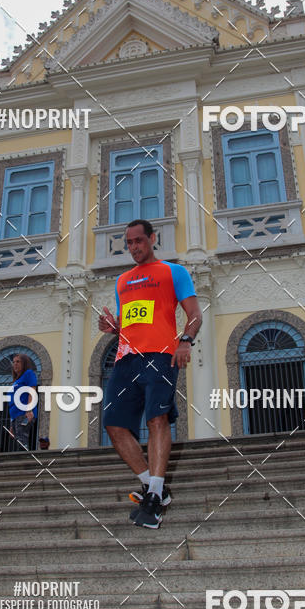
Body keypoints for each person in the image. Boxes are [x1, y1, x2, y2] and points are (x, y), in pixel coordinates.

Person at [99, 219, 202, 528]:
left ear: (152, 239)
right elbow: (128, 320)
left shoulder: (174, 272)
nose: (133, 247)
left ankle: (154, 497)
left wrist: (185, 340)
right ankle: (152, 485)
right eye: (129, 243)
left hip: (161, 355)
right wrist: (112, 327)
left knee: (157, 419)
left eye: (138, 241)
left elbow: (195, 314)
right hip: (125, 358)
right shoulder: (122, 281)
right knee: (114, 424)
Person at [7, 353, 38, 451]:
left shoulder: (28, 373)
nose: (15, 364)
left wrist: (29, 410)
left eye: (18, 362)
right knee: (19, 441)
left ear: (24, 363)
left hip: (24, 413)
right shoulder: (16, 381)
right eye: (14, 362)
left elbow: (32, 391)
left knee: (22, 442)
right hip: (16, 416)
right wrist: (12, 424)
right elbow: (12, 402)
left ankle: (25, 463)